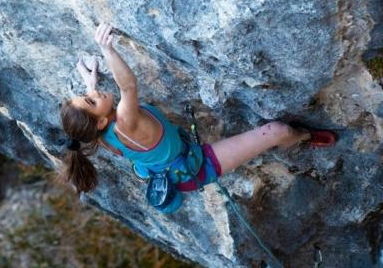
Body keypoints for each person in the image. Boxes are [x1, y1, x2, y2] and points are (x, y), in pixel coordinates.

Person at [59, 22, 336, 211]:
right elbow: (128, 86)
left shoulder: (95, 133)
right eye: (90, 99)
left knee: (274, 131)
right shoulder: (124, 120)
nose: (95, 92)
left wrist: (90, 82)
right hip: (194, 167)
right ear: (101, 121)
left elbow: (96, 106)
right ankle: (303, 137)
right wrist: (107, 50)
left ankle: (296, 136)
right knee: (277, 131)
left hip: (166, 164)